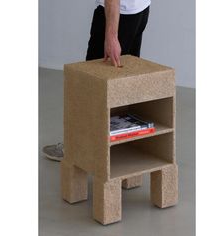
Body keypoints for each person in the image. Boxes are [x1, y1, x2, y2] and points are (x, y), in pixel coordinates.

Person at [43, 0, 151, 161]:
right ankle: (116, 146)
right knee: (121, 84)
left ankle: (76, 148)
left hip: (118, 15)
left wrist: (111, 35)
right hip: (138, 10)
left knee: (90, 86)